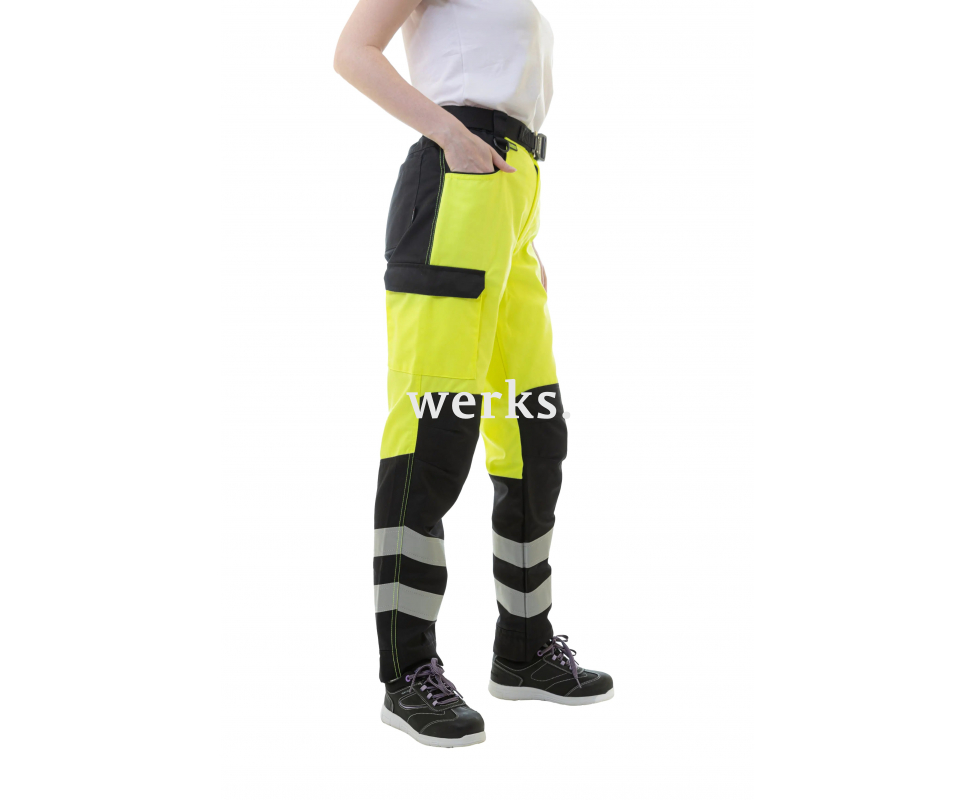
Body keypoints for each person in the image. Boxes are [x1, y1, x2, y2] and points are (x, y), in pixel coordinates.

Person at [334, 0, 613, 748]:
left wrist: (520, 241)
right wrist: (451, 136)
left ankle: (524, 649)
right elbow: (354, 52)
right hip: (456, 190)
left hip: (511, 206)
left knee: (533, 434)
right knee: (435, 430)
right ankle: (408, 674)